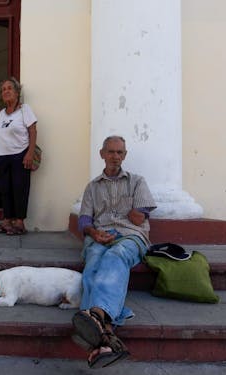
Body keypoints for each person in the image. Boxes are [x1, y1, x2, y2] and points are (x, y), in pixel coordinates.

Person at [72, 135, 157, 368]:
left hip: (131, 236)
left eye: (120, 153)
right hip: (99, 236)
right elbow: (84, 222)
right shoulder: (92, 187)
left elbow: (139, 216)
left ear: (125, 155)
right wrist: (94, 232)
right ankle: (106, 335)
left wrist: (131, 214)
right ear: (102, 154)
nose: (115, 157)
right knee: (93, 266)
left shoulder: (137, 181)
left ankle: (96, 315)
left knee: (115, 256)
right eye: (111, 152)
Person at [0, 77, 37, 235]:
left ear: (17, 92)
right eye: (3, 90)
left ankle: (19, 223)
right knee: (5, 189)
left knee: (19, 189)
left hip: (20, 154)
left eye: (9, 88)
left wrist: (30, 152)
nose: (6, 91)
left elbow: (33, 131)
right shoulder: (1, 113)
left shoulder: (24, 109)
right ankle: (7, 221)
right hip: (2, 156)